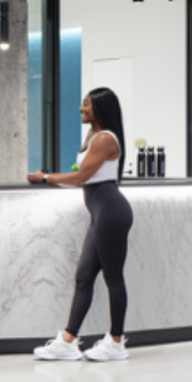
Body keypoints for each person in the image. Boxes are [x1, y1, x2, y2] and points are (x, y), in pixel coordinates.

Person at [27, 87, 132, 362]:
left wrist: (45, 177)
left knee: (113, 278)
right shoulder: (92, 136)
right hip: (100, 214)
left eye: (86, 104)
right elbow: (83, 174)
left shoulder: (105, 138)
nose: (80, 108)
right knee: (84, 277)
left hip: (111, 212)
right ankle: (68, 341)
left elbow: (80, 177)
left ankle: (116, 342)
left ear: (99, 108)